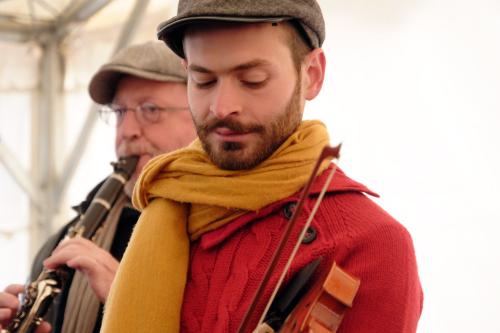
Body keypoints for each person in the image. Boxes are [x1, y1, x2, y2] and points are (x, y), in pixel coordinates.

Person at [101, 1, 424, 332]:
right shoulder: (164, 206)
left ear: (312, 75)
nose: (222, 107)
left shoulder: (373, 244)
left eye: (252, 80)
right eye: (203, 81)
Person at [0, 41, 197, 333]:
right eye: (119, 113)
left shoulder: (226, 237)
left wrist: (130, 303)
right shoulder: (63, 243)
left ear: (200, 113)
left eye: (150, 109)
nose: (127, 131)